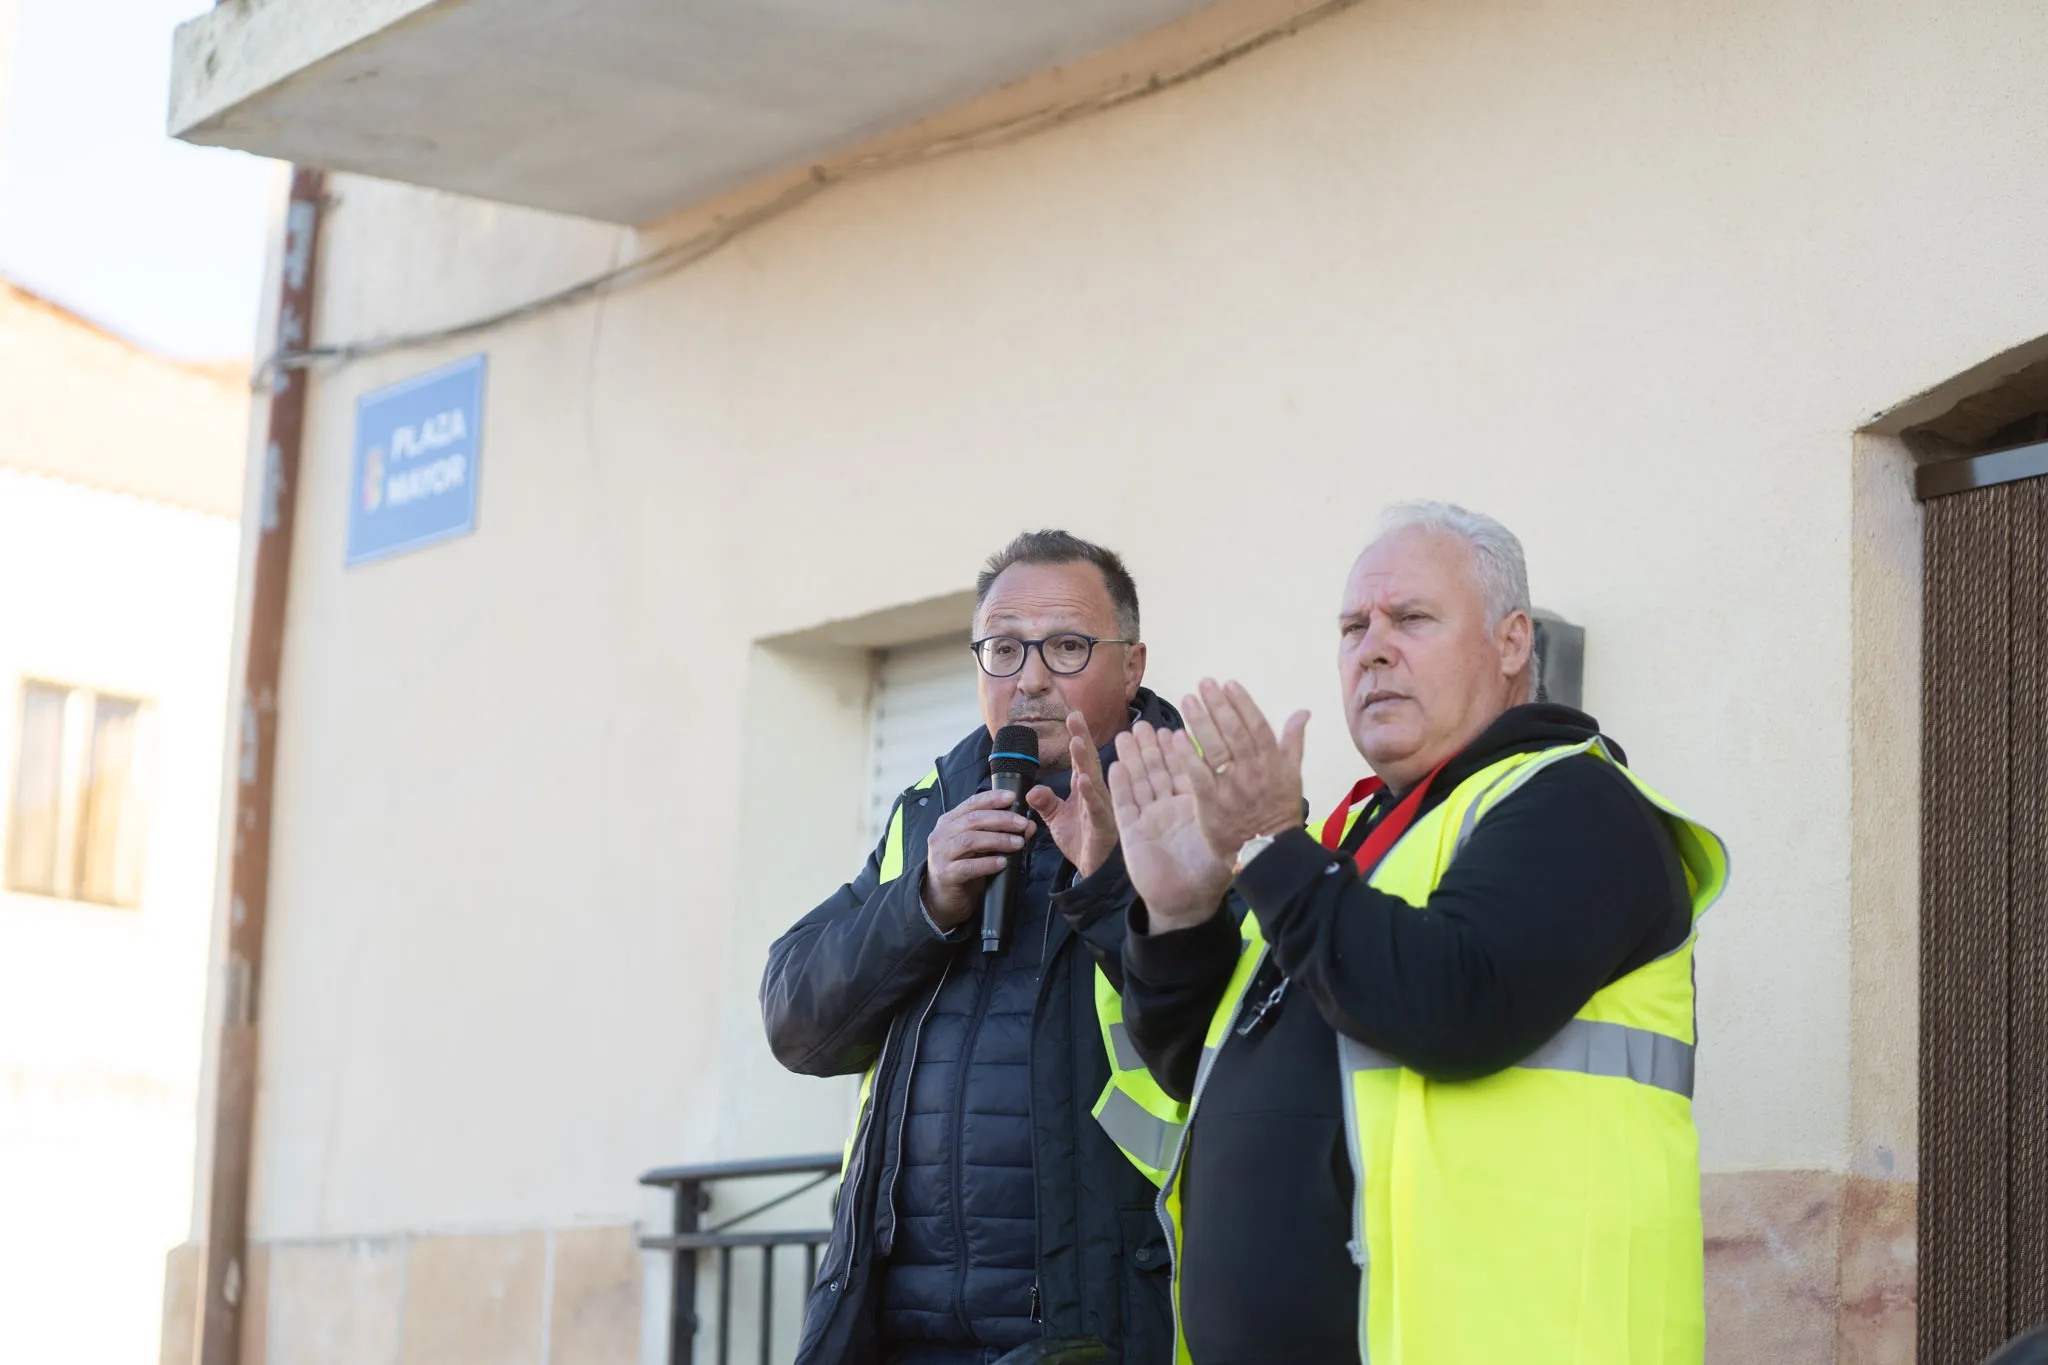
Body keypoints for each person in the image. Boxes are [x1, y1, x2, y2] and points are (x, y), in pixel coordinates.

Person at [1100, 501, 1729, 1365]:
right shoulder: (1345, 851)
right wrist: (1178, 913)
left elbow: (1451, 1005)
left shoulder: (1580, 804)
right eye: (1354, 625)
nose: (1374, 647)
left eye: (1412, 619)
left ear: (1513, 644)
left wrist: (1269, 846)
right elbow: (1198, 1066)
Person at [763, 530, 1178, 1365]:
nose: (1029, 677)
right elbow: (796, 1020)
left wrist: (1107, 884)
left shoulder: (1188, 802)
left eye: (1065, 646)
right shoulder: (930, 811)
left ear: (1131, 667)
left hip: (1091, 1322)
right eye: (1003, 648)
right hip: (895, 1331)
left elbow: (1213, 1023)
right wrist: (922, 902)